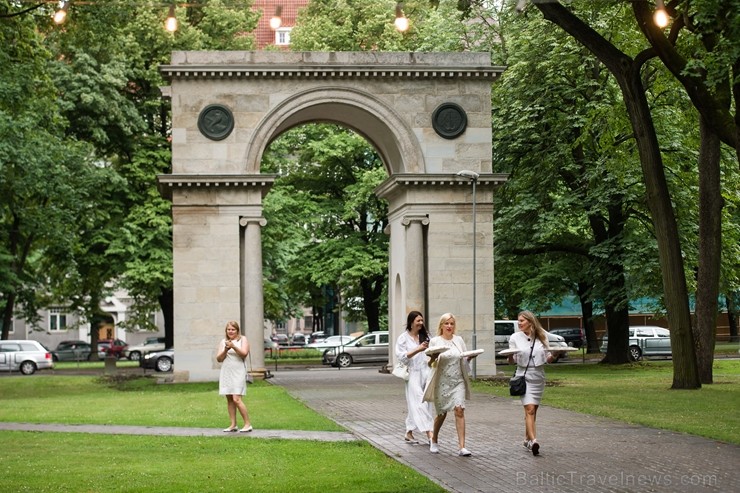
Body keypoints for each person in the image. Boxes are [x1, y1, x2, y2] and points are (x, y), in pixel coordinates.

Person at [507, 310, 563, 456]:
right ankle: (534, 441)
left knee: (533, 411)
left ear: (530, 322)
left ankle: (527, 438)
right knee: (529, 409)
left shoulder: (541, 336)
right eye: (518, 320)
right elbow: (511, 360)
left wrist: (555, 354)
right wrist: (509, 356)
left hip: (538, 376)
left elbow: (547, 359)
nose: (519, 323)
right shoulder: (515, 338)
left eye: (522, 321)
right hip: (523, 376)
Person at [423, 313, 478, 456]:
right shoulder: (435, 341)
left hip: (457, 380)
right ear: (441, 325)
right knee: (441, 414)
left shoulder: (458, 340)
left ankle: (462, 447)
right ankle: (434, 439)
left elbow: (463, 360)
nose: (449, 326)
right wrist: (433, 358)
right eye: (446, 323)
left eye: (452, 323)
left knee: (459, 410)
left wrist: (470, 358)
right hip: (441, 382)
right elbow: (430, 364)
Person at [395, 310, 434, 444]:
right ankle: (430, 433)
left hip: (427, 372)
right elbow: (401, 357)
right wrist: (418, 349)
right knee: (418, 401)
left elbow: (432, 354)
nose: (421, 323)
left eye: (422, 321)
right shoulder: (403, 338)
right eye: (418, 321)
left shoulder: (427, 336)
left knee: (425, 402)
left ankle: (409, 432)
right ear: (411, 322)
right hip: (413, 373)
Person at [216, 320, 252, 433]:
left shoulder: (243, 339)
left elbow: (244, 353)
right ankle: (233, 424)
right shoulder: (223, 342)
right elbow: (219, 359)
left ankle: (247, 424)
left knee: (237, 399)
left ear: (237, 330)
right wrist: (226, 349)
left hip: (238, 371)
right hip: (227, 371)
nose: (231, 331)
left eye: (233, 329)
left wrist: (234, 347)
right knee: (230, 399)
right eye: (229, 329)